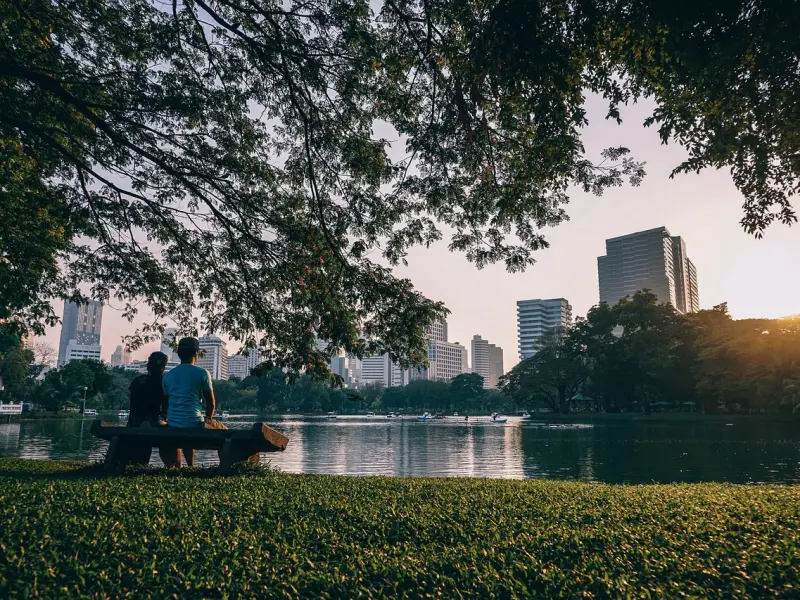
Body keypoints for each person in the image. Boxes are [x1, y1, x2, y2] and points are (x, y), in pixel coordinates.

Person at [161, 337, 224, 467]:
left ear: (179, 354)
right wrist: (208, 418)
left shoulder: (168, 376)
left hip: (173, 422)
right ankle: (194, 466)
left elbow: (166, 403)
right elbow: (211, 403)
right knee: (224, 432)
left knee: (185, 425)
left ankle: (189, 466)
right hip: (194, 422)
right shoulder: (202, 373)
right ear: (197, 353)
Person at [126, 351, 169, 465]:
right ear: (163, 368)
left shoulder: (138, 381)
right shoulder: (164, 383)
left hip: (133, 423)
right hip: (152, 424)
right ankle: (173, 465)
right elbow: (165, 408)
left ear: (147, 366)